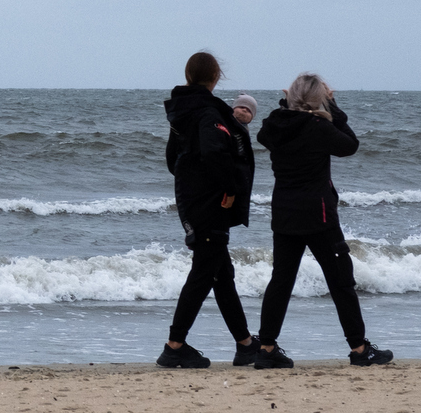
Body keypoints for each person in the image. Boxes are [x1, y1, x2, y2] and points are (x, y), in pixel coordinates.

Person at [252, 73, 393, 368]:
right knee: (341, 280)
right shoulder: (318, 127)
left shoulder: (274, 124)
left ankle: (266, 348)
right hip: (319, 214)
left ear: (290, 98)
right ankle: (358, 348)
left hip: (285, 212)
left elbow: (272, 128)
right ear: (320, 98)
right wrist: (333, 106)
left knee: (281, 279)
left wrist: (290, 102)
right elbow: (350, 145)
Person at [157, 52, 259, 368]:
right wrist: (228, 189)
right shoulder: (206, 112)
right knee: (204, 273)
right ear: (216, 79)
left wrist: (191, 183)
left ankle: (245, 345)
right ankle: (174, 346)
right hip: (210, 202)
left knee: (220, 273)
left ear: (188, 75)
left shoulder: (181, 111)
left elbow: (173, 160)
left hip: (192, 199)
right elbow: (215, 151)